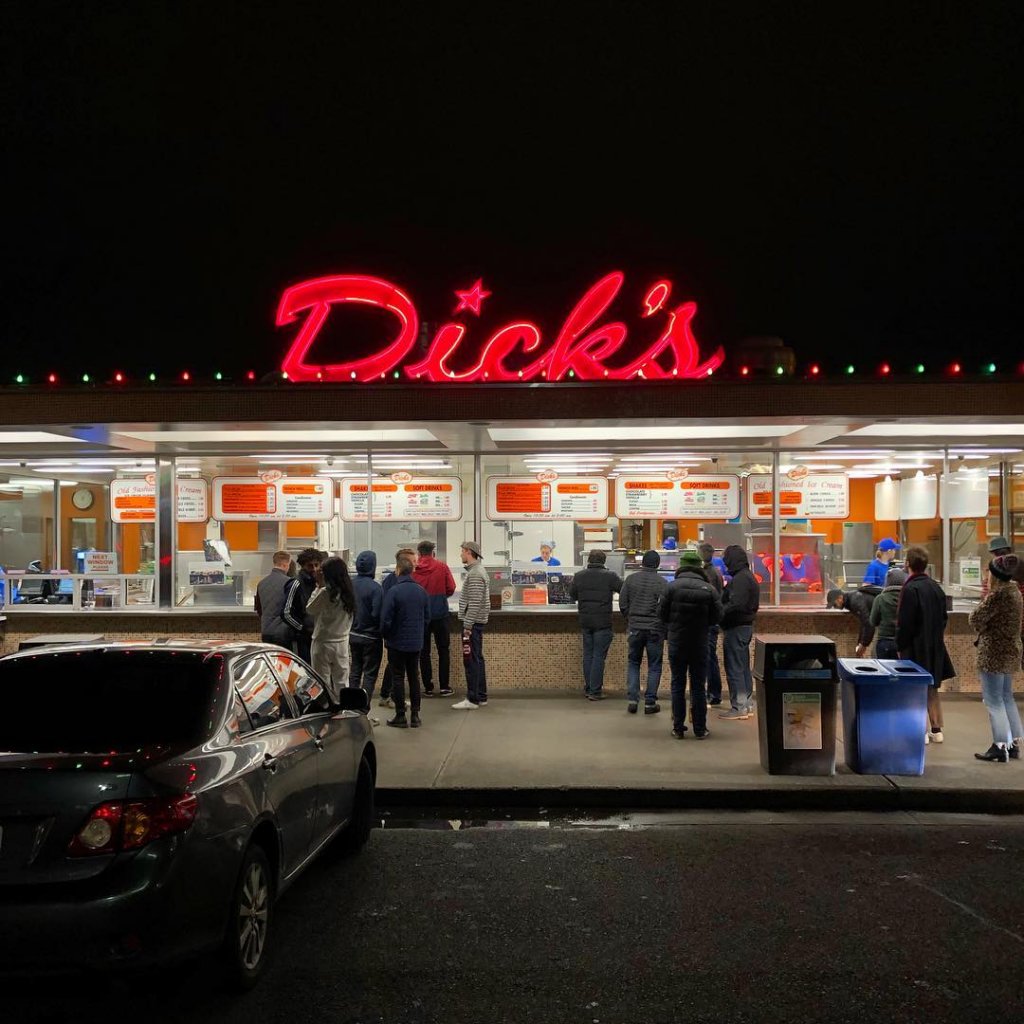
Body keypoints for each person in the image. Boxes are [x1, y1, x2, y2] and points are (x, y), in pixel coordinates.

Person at [896, 545, 956, 744]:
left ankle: (920, 730)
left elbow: (905, 623)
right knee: (932, 687)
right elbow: (944, 618)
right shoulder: (935, 587)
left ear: (908, 564)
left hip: (915, 647)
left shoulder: (910, 588)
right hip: (935, 645)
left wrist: (900, 645)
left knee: (915, 688)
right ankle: (937, 729)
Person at [660, 549, 722, 739]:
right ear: (699, 568)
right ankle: (700, 729)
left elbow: (661, 614)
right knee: (698, 686)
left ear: (681, 566)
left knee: (678, 684)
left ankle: (678, 728)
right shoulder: (709, 589)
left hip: (677, 642)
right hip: (699, 643)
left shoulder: (671, 587)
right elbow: (717, 617)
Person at [969, 554, 1023, 762]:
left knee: (993, 701)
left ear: (995, 575)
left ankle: (999, 746)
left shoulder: (998, 595)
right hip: (1011, 650)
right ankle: (1013, 744)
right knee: (1007, 697)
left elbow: (975, 619)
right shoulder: (1015, 592)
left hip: (994, 653)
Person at [379, 554, 430, 728]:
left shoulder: (394, 591)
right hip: (415, 643)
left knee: (398, 678)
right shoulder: (421, 591)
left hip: (396, 643)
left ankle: (400, 715)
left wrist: (386, 635)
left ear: (398, 570)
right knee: (414, 677)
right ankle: (415, 715)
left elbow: (386, 618)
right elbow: (427, 617)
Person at [569, 549, 623, 701]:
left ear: (589, 561)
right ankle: (595, 691)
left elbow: (572, 594)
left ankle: (588, 689)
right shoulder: (610, 576)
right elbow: (623, 589)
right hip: (603, 621)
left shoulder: (579, 576)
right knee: (598, 656)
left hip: (585, 620)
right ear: (603, 561)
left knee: (588, 655)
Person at [618, 549, 668, 714]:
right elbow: (665, 608)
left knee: (634, 663)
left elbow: (623, 603)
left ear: (642, 563)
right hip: (654, 629)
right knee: (654, 665)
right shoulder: (662, 582)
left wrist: (631, 618)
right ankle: (650, 703)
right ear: (658, 564)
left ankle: (633, 700)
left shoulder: (631, 579)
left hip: (635, 628)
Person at [718, 545, 760, 721]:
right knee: (742, 667)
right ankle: (747, 704)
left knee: (735, 667)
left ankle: (739, 706)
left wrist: (719, 611)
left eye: (727, 559)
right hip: (745, 627)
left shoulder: (741, 579)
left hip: (736, 627)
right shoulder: (747, 577)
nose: (726, 563)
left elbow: (736, 604)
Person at [414, 540, 457, 697]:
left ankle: (428, 687)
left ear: (419, 553)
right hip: (440, 614)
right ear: (433, 552)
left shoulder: (414, 569)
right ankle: (444, 686)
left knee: (423, 652)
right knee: (443, 650)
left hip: (421, 616)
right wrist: (441, 597)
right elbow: (451, 587)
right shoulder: (442, 566)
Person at [307, 556, 355, 697]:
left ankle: (328, 711)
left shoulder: (325, 592)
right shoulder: (349, 592)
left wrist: (318, 587)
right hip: (342, 642)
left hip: (323, 642)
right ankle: (343, 709)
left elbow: (310, 608)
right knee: (342, 681)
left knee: (323, 682)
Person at [378, 547, 417, 708]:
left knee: (393, 665)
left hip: (397, 632)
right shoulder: (393, 583)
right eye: (413, 561)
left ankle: (385, 694)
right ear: (404, 562)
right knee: (398, 670)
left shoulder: (395, 581)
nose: (416, 565)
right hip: (397, 633)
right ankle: (392, 698)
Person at [454, 541, 490, 709]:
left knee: (471, 661)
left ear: (468, 552)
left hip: (473, 624)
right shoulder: (477, 571)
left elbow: (475, 602)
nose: (461, 554)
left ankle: (472, 698)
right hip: (475, 623)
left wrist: (467, 625)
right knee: (477, 659)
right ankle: (481, 695)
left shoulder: (475, 573)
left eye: (462, 551)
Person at [350, 550, 384, 701]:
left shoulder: (350, 585)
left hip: (352, 635)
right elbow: (378, 614)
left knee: (355, 671)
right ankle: (363, 710)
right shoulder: (376, 588)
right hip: (371, 637)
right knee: (369, 675)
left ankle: (351, 707)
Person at [283, 547, 322, 663]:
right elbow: (285, 613)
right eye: (310, 566)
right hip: (301, 639)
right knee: (304, 671)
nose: (314, 569)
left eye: (316, 565)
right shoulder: (295, 583)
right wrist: (302, 628)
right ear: (302, 566)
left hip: (318, 636)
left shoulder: (320, 583)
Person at [699, 542, 725, 705]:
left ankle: (713, 693)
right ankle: (714, 692)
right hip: (713, 622)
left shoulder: (705, 575)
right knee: (711, 658)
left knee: (708, 659)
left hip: (706, 622)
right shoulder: (717, 573)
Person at [254, 550, 296, 646]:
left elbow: (259, 609)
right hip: (284, 633)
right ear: (286, 564)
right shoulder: (290, 583)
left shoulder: (261, 583)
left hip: (266, 632)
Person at [868, 568, 907, 659]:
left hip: (884, 641)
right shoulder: (908, 597)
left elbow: (873, 621)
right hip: (903, 642)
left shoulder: (880, 598)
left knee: (884, 670)